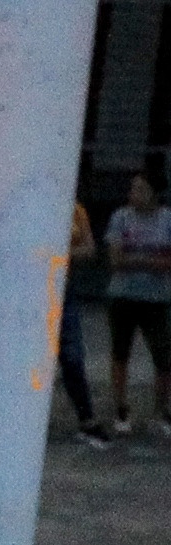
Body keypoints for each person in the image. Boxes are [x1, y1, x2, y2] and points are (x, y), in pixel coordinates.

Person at [106, 168, 171, 435]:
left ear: (154, 194)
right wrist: (151, 262)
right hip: (123, 295)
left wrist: (137, 260)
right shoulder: (121, 217)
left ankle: (162, 410)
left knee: (163, 356)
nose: (134, 194)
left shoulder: (167, 220)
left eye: (141, 189)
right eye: (133, 188)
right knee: (120, 353)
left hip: (156, 299)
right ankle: (121, 408)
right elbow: (115, 259)